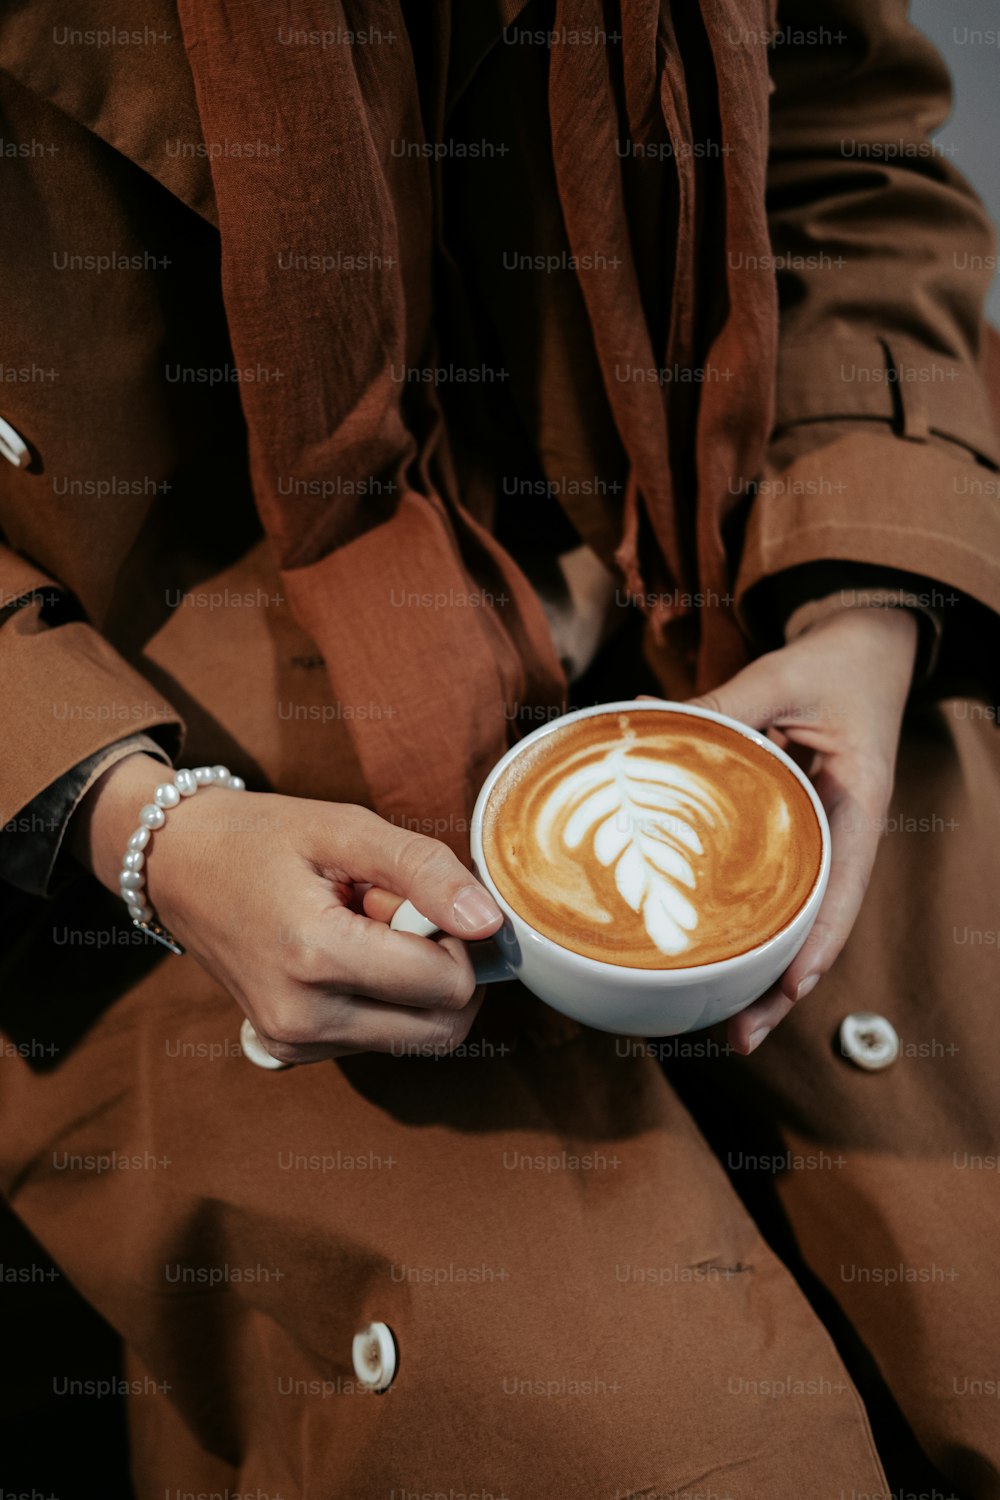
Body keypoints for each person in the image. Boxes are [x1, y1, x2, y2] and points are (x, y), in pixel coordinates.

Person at [1, 1, 998, 1495]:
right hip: (161, 756)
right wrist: (137, 824)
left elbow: (844, 145)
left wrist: (867, 594)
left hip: (737, 587)